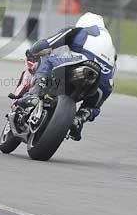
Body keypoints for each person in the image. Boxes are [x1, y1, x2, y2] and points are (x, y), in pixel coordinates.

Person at [11, 12, 116, 141]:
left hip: (80, 61)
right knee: (93, 105)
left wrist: (31, 52)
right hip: (103, 81)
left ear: (83, 22)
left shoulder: (81, 30)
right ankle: (80, 118)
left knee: (47, 58)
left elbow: (48, 43)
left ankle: (35, 93)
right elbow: (112, 73)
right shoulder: (112, 47)